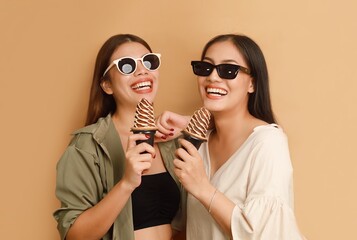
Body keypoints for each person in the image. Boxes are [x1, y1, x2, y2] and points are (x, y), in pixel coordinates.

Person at [156, 34, 305, 239]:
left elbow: (264, 234)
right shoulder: (198, 144)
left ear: (252, 83)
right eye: (205, 68)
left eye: (229, 70)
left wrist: (202, 188)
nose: (213, 78)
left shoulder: (268, 143)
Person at [53, 34, 186, 240]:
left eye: (149, 61)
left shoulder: (172, 139)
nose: (142, 70)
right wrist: (127, 183)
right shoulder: (87, 145)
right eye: (126, 66)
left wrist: (186, 123)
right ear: (107, 85)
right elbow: (74, 235)